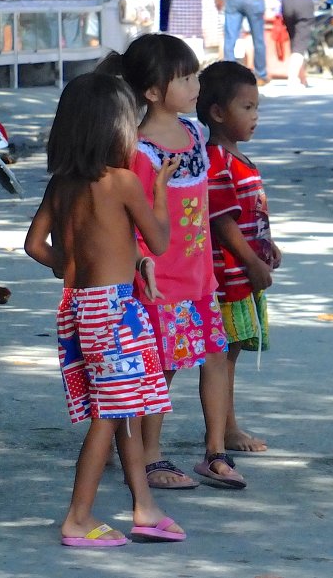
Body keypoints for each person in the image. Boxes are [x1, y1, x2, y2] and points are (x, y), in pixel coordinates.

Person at [23, 72, 186, 546]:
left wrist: (70, 267)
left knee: (123, 409)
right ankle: (78, 516)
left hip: (80, 308)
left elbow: (35, 245)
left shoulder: (64, 184)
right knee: (110, 415)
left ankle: (144, 507)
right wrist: (159, 188)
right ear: (115, 129)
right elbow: (157, 240)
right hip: (116, 314)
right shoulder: (123, 182)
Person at [99, 34, 242, 491]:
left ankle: (215, 451)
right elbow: (131, 218)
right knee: (161, 366)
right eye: (184, 77)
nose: (195, 84)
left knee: (215, 356)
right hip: (160, 281)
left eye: (194, 74)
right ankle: (148, 456)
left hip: (201, 278)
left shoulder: (198, 134)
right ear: (153, 92)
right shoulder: (137, 149)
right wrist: (142, 262)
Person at [196, 60, 281, 455]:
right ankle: (225, 429)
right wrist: (251, 261)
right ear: (217, 113)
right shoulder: (217, 159)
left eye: (256, 108)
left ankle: (227, 425)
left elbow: (251, 214)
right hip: (227, 277)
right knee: (222, 357)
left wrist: (268, 247)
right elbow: (222, 221)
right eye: (246, 108)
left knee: (229, 354)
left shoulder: (238, 159)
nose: (255, 117)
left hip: (243, 272)